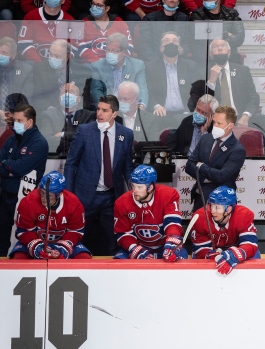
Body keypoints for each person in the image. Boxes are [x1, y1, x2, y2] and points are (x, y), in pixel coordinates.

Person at [64, 95, 134, 256]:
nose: (99, 113)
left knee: (112, 241)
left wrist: (132, 191)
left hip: (112, 197)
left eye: (104, 110)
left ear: (114, 114)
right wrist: (68, 194)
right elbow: (71, 163)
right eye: (98, 109)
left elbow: (127, 166)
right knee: (79, 238)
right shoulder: (84, 131)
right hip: (85, 195)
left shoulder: (126, 134)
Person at [0, 104, 48, 257]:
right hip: (5, 197)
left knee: (21, 240)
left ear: (30, 122)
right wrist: (10, 169)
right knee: (1, 239)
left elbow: (21, 167)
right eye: (14, 120)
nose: (16, 124)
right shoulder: (11, 139)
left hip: (25, 200)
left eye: (19, 120)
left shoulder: (39, 142)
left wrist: (7, 166)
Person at [9, 171, 92, 259]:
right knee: (19, 259)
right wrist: (35, 245)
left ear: (59, 194)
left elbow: (75, 231)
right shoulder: (28, 202)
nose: (43, 198)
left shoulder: (74, 204)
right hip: (35, 240)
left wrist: (64, 246)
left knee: (85, 258)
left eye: (49, 195)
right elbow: (23, 231)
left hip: (63, 241)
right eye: (42, 192)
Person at [113, 165, 186, 261]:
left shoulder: (168, 195)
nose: (134, 191)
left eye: (139, 187)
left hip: (164, 245)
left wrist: (172, 241)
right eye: (133, 185)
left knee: (179, 261)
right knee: (119, 263)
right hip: (139, 246)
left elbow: (172, 222)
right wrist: (135, 249)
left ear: (150, 187)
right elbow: (123, 233)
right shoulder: (121, 203)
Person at [185, 105, 245, 212]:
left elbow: (221, 176)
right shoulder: (206, 139)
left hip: (222, 203)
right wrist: (206, 177)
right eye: (214, 122)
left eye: (219, 123)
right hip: (200, 197)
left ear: (230, 125)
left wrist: (201, 166)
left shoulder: (237, 149)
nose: (215, 126)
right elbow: (189, 166)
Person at [191, 186, 259, 274]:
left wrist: (236, 254)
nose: (212, 211)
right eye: (211, 206)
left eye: (217, 207)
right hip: (212, 251)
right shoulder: (200, 217)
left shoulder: (243, 215)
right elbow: (200, 249)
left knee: (254, 254)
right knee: (197, 257)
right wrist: (209, 255)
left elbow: (250, 244)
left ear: (228, 209)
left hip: (236, 250)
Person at [145, 32, 197, 118]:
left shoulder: (191, 66)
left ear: (180, 48)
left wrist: (189, 110)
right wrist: (156, 105)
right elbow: (148, 93)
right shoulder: (150, 68)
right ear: (161, 48)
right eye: (166, 41)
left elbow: (196, 92)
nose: (171, 43)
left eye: (175, 41)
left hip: (185, 114)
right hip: (161, 115)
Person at [90, 33, 149, 108]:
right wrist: (107, 106)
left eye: (114, 51)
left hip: (130, 106)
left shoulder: (137, 65)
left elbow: (142, 89)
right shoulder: (97, 66)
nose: (109, 53)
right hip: (108, 107)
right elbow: (96, 91)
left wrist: (141, 105)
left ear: (124, 52)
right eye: (108, 50)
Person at [32, 39, 92, 114]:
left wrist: (75, 111)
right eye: (50, 54)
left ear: (68, 56)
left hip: (74, 114)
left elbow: (85, 98)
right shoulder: (40, 69)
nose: (52, 58)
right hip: (48, 114)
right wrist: (52, 111)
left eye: (57, 56)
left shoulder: (82, 71)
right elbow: (36, 97)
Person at [38, 83, 96, 155]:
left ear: (78, 99)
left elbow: (89, 138)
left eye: (71, 92)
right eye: (64, 92)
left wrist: (63, 134)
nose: (67, 95)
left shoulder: (88, 116)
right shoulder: (48, 115)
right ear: (59, 99)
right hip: (55, 159)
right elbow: (46, 140)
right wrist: (77, 140)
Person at [189, 0, 245, 65]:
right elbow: (200, 39)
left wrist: (212, 33)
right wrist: (226, 34)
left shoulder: (232, 13)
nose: (208, 1)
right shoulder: (197, 14)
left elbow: (239, 38)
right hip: (205, 58)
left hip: (229, 57)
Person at [0, 37, 34, 104]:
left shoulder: (26, 71)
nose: (0, 55)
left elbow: (25, 99)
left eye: (4, 53)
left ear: (13, 55)